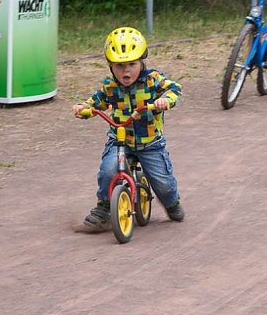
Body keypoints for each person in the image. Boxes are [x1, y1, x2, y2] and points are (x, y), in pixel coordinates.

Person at [73, 26, 185, 227]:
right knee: (108, 171)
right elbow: (97, 101)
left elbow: (174, 88)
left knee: (163, 183)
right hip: (120, 140)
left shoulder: (152, 80)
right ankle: (105, 206)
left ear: (142, 62)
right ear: (110, 66)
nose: (126, 71)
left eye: (132, 64)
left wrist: (165, 100)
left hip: (150, 142)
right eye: (119, 66)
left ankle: (172, 203)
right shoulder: (111, 87)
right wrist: (85, 108)